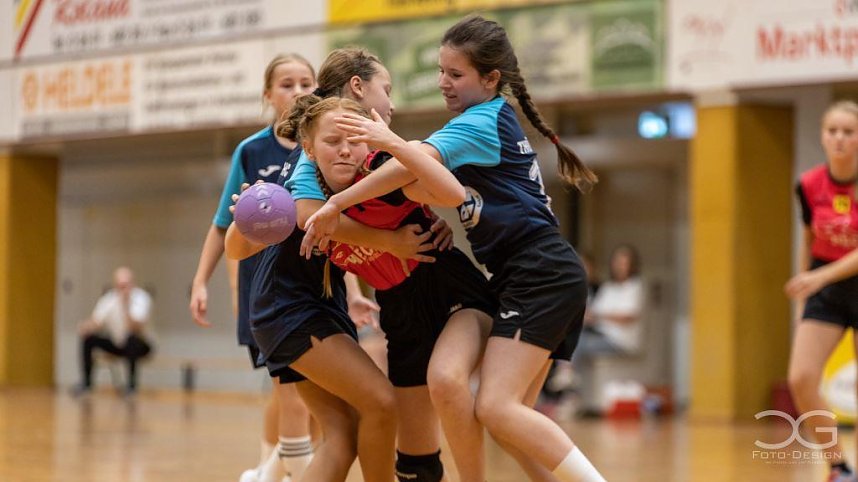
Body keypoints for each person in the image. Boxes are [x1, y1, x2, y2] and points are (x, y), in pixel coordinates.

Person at [303, 16, 606, 481]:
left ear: (490, 79)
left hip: (528, 271)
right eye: (441, 71)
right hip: (505, 277)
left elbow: (434, 184)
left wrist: (379, 161)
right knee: (506, 422)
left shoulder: (473, 123)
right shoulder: (316, 159)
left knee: (491, 405)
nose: (441, 83)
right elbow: (316, 212)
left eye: (454, 74)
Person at [286, 92, 496, 482]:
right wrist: (355, 289)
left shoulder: (379, 169)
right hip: (400, 310)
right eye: (333, 142)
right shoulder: (310, 197)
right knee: (415, 464)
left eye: (355, 140)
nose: (346, 151)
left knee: (446, 380)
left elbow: (445, 187)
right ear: (309, 151)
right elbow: (307, 228)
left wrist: (395, 147)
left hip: (450, 289)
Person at [188, 53, 326, 482]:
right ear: (267, 94)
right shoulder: (251, 151)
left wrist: (356, 294)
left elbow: (334, 222)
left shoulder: (326, 144)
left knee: (316, 398)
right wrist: (200, 283)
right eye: (287, 84)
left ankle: (268, 473)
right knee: (293, 396)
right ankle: (280, 471)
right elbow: (220, 225)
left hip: (316, 287)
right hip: (267, 291)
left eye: (307, 82)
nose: (299, 91)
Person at [785, 100, 858, 482]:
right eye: (833, 131)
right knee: (801, 378)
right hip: (825, 286)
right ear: (823, 136)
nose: (840, 139)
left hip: (840, 277)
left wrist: (820, 277)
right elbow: (809, 237)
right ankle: (839, 467)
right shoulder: (810, 183)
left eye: (849, 131)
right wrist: (805, 289)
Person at [74, 266, 153, 397]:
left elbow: (135, 328)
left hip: (140, 345)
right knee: (88, 338)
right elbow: (97, 322)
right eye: (120, 286)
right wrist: (86, 327)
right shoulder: (109, 299)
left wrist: (126, 306)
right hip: (117, 343)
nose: (124, 289)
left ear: (133, 283)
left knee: (131, 339)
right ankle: (86, 383)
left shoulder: (141, 298)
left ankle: (131, 386)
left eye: (126, 285)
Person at [572, 244, 644, 361]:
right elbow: (592, 313)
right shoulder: (608, 287)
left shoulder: (635, 286)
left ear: (632, 265)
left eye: (623, 263)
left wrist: (599, 316)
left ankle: (566, 374)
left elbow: (627, 316)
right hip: (600, 334)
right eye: (617, 262)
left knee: (578, 342)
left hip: (620, 342)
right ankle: (564, 374)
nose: (619, 266)